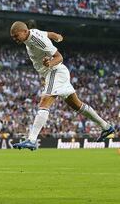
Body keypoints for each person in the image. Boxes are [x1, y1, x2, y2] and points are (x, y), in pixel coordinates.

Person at [9, 21, 115, 150]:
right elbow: (49, 34)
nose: (15, 39)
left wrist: (50, 63)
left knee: (44, 102)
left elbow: (59, 57)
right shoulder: (34, 33)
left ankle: (31, 140)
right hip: (54, 73)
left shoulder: (37, 39)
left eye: (16, 36)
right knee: (77, 105)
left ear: (25, 31)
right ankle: (106, 127)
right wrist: (58, 37)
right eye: (13, 37)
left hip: (55, 71)